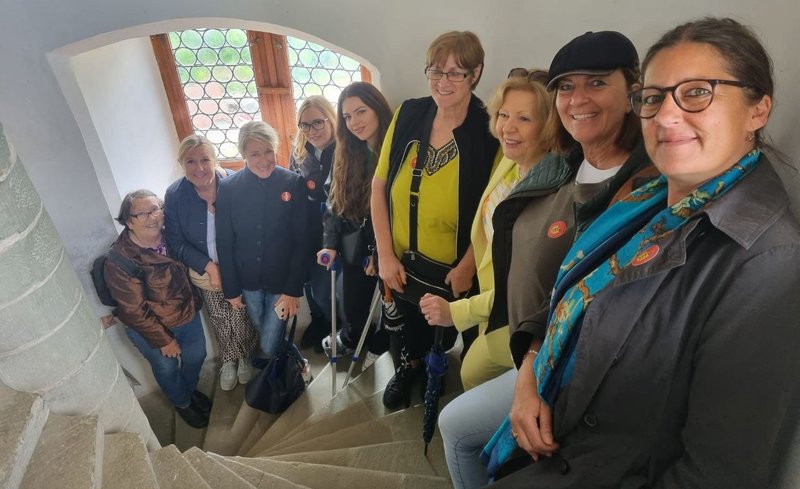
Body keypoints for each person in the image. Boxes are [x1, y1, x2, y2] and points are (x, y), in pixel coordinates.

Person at [484, 17, 800, 488]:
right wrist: (531, 367)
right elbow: (575, 291)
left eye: (697, 92)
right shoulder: (648, 197)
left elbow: (715, 473)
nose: (666, 116)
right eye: (654, 97)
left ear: (758, 109)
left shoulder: (766, 262)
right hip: (555, 419)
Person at [437, 31, 656, 489]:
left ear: (632, 91)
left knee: (458, 428)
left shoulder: (645, 186)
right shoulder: (562, 166)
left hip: (578, 368)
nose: (578, 98)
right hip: (533, 347)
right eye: (566, 86)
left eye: (597, 82)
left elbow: (596, 295)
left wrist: (533, 372)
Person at [371, 31, 501, 409]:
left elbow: (494, 210)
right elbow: (379, 186)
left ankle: (435, 367)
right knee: (405, 325)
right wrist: (385, 255)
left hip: (453, 269)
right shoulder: (409, 113)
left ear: (475, 74)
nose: (443, 82)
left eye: (456, 73)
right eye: (436, 71)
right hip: (400, 260)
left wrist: (468, 266)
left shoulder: (489, 129)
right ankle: (408, 368)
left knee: (442, 331)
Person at [419, 69, 552, 390]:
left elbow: (528, 289)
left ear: (549, 125)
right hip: (491, 308)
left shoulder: (551, 193)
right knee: (471, 375)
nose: (507, 127)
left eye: (524, 118)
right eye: (503, 115)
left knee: (476, 383)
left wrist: (456, 312)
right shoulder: (511, 160)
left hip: (519, 320)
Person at [216, 120, 312, 384]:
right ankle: (289, 364)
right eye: (255, 154)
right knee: (264, 331)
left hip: (282, 282)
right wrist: (231, 290)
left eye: (268, 151)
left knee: (269, 343)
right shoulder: (228, 188)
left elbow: (302, 240)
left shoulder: (293, 182)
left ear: (275, 148)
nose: (263, 160)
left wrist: (293, 290)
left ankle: (295, 363)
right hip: (248, 282)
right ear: (244, 154)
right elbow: (225, 241)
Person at [106, 189, 210, 428]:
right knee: (166, 367)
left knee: (197, 356)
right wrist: (164, 340)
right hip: (147, 326)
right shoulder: (120, 259)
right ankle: (183, 403)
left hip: (185, 313)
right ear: (128, 222)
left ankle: (187, 392)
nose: (151, 217)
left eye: (155, 209)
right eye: (141, 213)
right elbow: (134, 309)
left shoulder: (172, 236)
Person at [164, 135, 258, 391]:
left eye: (205, 159)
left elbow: (252, 228)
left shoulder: (235, 184)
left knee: (241, 315)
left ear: (215, 159)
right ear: (181, 164)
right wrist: (209, 266)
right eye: (191, 161)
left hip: (239, 266)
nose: (199, 168)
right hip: (204, 270)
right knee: (219, 317)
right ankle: (229, 359)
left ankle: (245, 356)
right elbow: (175, 241)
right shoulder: (175, 195)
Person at [317, 82, 393, 362]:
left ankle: (385, 346)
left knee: (391, 303)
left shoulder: (396, 149)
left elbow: (394, 209)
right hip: (353, 239)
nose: (354, 122)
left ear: (377, 109)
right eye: (347, 116)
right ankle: (354, 339)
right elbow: (334, 202)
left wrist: (378, 252)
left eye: (361, 112)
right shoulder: (346, 151)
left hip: (387, 242)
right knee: (351, 303)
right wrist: (329, 243)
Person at [289, 96, 339, 352]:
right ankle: (319, 321)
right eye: (305, 125)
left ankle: (337, 327)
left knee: (325, 289)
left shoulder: (344, 149)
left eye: (318, 122)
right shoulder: (299, 152)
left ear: (331, 119)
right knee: (309, 281)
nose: (311, 130)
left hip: (335, 229)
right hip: (307, 228)